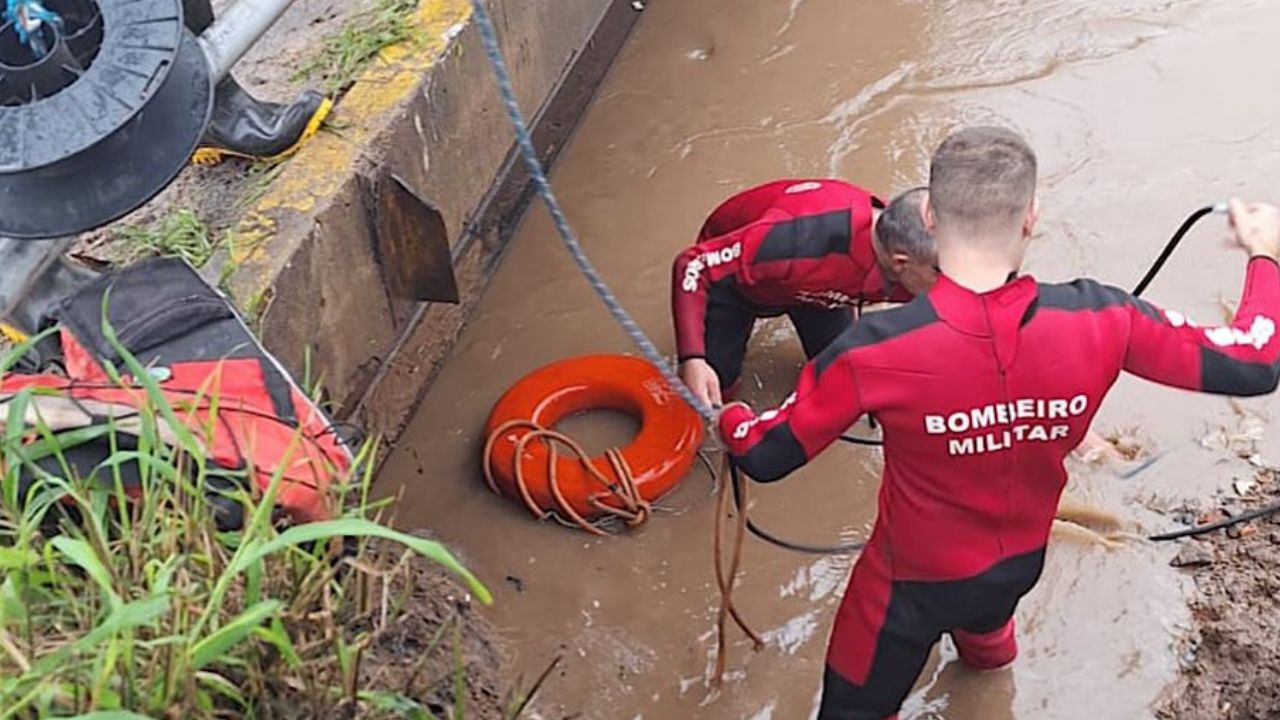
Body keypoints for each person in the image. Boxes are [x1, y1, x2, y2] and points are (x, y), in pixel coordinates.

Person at [715, 126, 1280, 719]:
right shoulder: (1104, 315)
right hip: (1017, 564)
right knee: (988, 639)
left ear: (929, 215)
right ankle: (988, 682)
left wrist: (724, 413)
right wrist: (1264, 253)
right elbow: (1255, 360)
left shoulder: (872, 349)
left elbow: (766, 454)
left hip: (907, 590)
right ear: (1031, 216)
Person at [672, 179, 938, 409]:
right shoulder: (797, 239)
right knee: (715, 385)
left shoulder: (915, 255)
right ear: (900, 263)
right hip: (737, 284)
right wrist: (692, 359)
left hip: (821, 292)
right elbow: (693, 264)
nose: (955, 281)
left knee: (841, 375)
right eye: (941, 272)